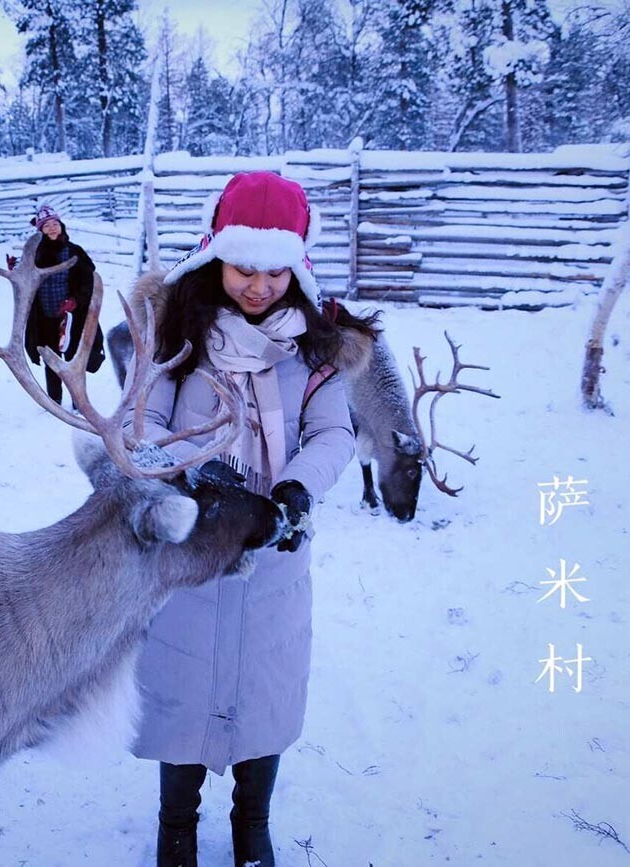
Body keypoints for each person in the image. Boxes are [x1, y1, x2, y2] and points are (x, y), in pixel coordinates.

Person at [126, 172, 375, 867]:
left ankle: (251, 822)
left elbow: (332, 435)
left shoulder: (316, 348)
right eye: (243, 268)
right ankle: (176, 825)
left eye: (274, 270)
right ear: (215, 256)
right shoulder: (176, 334)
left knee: (264, 688)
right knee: (179, 688)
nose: (258, 287)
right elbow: (139, 421)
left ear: (296, 265)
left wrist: (293, 491)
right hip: (186, 552)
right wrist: (173, 477)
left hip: (274, 548)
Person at [23, 204, 104, 404]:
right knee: (51, 360)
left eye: (54, 224)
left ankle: (79, 400)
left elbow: (88, 280)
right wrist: (19, 269)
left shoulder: (74, 251)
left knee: (75, 359)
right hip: (44, 317)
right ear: (40, 230)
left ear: (61, 226)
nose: (52, 228)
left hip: (72, 317)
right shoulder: (34, 254)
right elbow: (25, 280)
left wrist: (76, 300)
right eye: (46, 226)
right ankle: (54, 402)